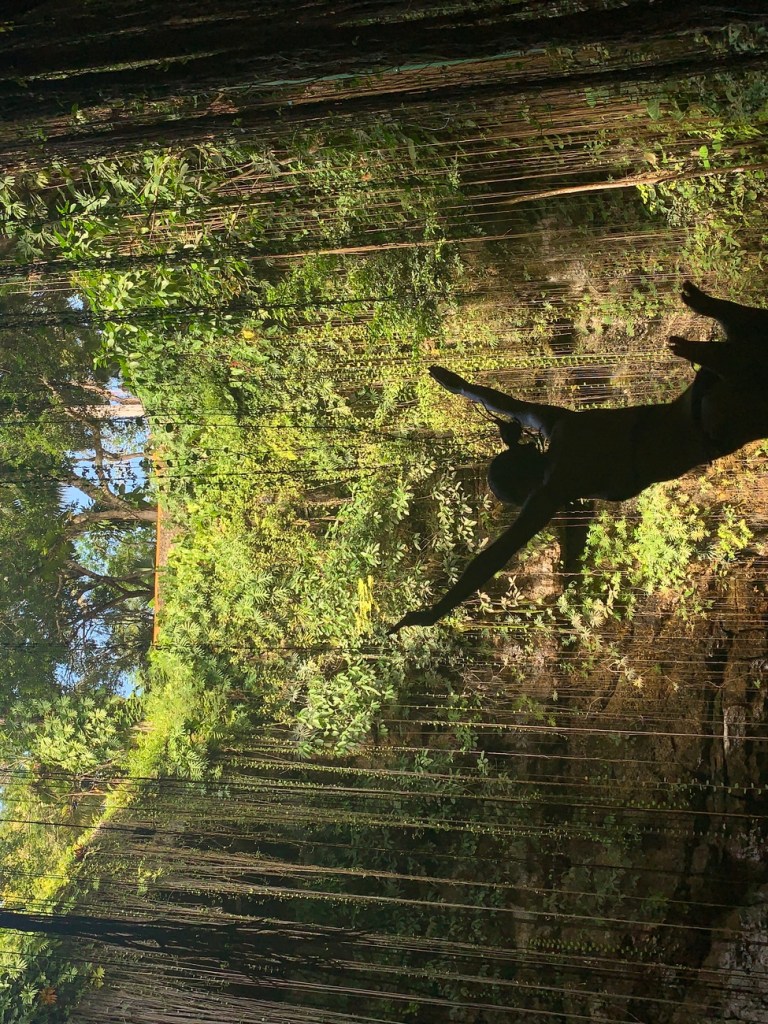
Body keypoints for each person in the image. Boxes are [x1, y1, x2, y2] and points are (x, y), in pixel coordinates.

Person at [389, 282, 768, 632]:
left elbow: (496, 554)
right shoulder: (556, 426)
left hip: (714, 428)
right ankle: (722, 332)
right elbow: (506, 405)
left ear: (527, 490)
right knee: (753, 336)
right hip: (700, 394)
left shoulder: (557, 487)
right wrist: (462, 388)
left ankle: (727, 346)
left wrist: (437, 610)